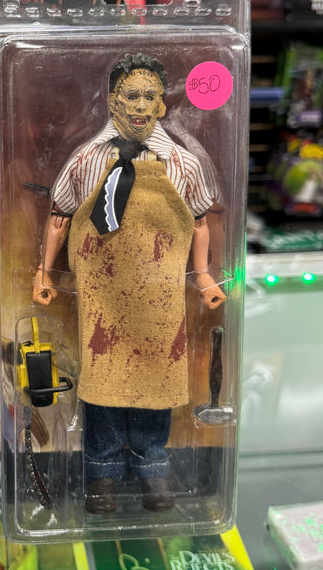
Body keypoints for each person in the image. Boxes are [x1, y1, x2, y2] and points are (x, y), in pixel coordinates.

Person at [32, 53, 225, 513]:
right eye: (130, 95)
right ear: (111, 100)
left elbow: (199, 222)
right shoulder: (87, 160)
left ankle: (152, 467)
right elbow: (60, 217)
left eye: (149, 97)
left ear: (162, 105)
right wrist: (44, 271)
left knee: (157, 381)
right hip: (102, 295)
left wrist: (203, 276)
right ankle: (101, 473)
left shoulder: (181, 163)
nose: (140, 106)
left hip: (161, 295)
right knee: (102, 383)